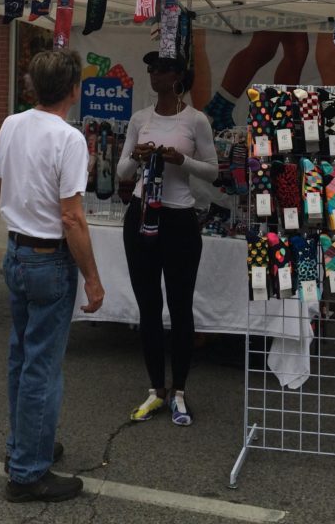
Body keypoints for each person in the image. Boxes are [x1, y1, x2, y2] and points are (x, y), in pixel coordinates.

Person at [0, 49, 104, 505]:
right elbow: (72, 217)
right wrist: (92, 277)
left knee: (22, 357)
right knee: (42, 367)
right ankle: (28, 472)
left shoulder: (12, 124)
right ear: (74, 89)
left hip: (16, 251)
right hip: (49, 258)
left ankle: (24, 445)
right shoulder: (70, 138)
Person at [117, 51, 218, 427]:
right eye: (151, 69)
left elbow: (213, 171)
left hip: (178, 219)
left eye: (161, 69)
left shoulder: (196, 120)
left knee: (179, 306)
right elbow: (123, 170)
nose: (154, 74)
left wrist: (181, 161)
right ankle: (155, 388)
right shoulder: (140, 118)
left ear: (177, 76)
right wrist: (138, 156)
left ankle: (179, 391)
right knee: (148, 306)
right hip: (142, 213)